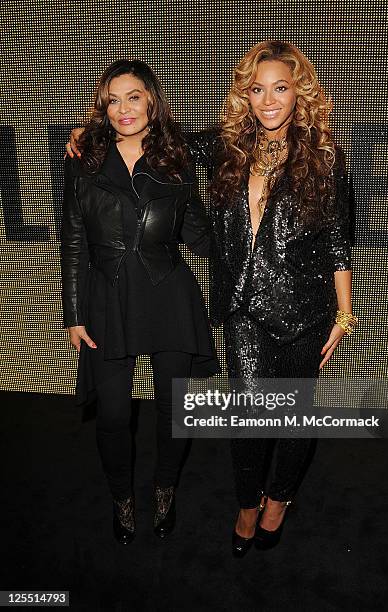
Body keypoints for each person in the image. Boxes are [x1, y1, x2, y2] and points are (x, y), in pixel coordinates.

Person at [67, 41, 357, 557]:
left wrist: (345, 312)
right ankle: (247, 504)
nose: (269, 99)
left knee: (295, 417)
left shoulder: (325, 158)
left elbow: (338, 239)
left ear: (299, 94)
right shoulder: (225, 146)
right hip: (241, 305)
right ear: (244, 95)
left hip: (305, 305)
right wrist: (89, 133)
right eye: (257, 88)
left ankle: (276, 503)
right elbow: (159, 138)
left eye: (281, 87)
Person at [61, 59, 219, 545]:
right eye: (113, 98)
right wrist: (73, 313)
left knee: (174, 410)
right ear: (102, 107)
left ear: (151, 99)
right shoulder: (83, 158)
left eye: (133, 96)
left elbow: (197, 232)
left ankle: (165, 489)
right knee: (112, 415)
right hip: (106, 298)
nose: (123, 108)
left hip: (169, 293)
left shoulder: (179, 156)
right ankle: (122, 498)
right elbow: (72, 239)